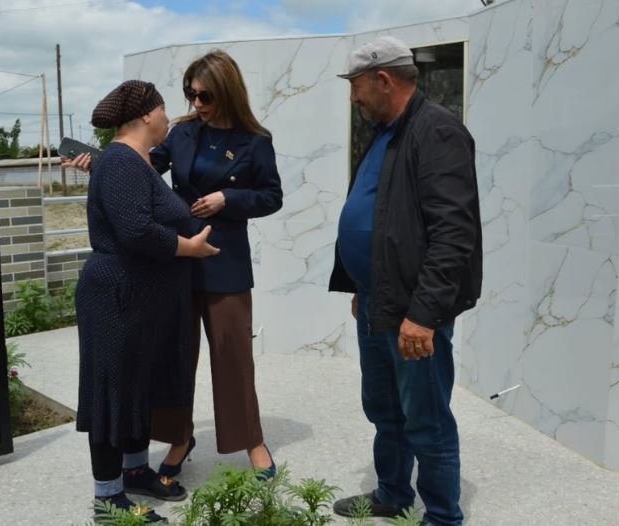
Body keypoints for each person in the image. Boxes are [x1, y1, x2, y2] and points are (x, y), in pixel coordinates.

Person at [67, 50, 283, 477]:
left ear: (227, 93)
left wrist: (230, 198)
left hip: (224, 259)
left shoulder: (255, 141)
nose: (196, 104)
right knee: (172, 357)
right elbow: (138, 168)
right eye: (189, 95)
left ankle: (251, 441)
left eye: (204, 96)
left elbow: (272, 196)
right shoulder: (181, 134)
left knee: (233, 355)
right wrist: (97, 163)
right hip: (172, 259)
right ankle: (178, 438)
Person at [328, 37, 482, 526]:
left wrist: (424, 314)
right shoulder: (387, 132)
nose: (353, 98)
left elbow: (454, 233)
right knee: (383, 408)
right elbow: (382, 211)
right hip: (378, 300)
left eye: (355, 87)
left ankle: (441, 516)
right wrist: (359, 285)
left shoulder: (435, 131)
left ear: (383, 80)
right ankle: (393, 493)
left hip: (413, 310)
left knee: (426, 417)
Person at [75, 80, 219, 523]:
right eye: (162, 109)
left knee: (136, 387)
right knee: (112, 391)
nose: (167, 117)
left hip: (139, 297)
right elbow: (135, 230)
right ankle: (107, 499)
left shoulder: (136, 162)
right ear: (145, 115)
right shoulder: (119, 161)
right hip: (116, 294)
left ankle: (134, 470)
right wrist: (186, 249)